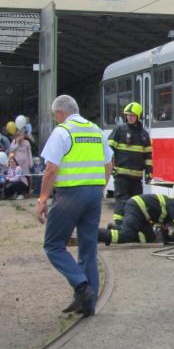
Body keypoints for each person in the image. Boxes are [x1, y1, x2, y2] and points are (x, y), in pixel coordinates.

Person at [37, 95, 113, 317]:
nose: (56, 120)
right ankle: (89, 306)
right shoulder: (97, 131)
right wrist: (100, 188)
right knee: (88, 247)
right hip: (93, 194)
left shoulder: (63, 132)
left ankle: (81, 286)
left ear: (60, 112)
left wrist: (42, 199)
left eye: (55, 116)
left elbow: (51, 169)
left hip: (70, 195)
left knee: (53, 245)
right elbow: (109, 164)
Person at [108, 102, 153, 224]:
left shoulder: (144, 134)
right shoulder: (119, 130)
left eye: (132, 115)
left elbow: (148, 155)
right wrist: (110, 167)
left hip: (137, 177)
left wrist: (149, 171)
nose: (129, 117)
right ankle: (119, 227)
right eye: (127, 115)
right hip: (121, 175)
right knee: (121, 201)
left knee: (137, 202)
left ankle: (132, 225)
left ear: (138, 116)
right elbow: (108, 150)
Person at [98, 193, 174, 245]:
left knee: (150, 237)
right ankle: (96, 234)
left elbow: (157, 226)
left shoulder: (169, 207)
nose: (171, 222)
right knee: (127, 235)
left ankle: (115, 229)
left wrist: (164, 235)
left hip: (141, 213)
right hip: (137, 207)